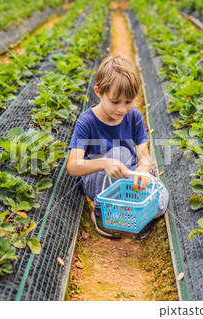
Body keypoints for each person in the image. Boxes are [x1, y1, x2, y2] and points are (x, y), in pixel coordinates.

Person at [66, 55, 169, 239]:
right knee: (118, 153)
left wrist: (142, 171)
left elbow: (144, 157)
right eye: (115, 102)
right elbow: (73, 167)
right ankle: (101, 213)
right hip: (97, 180)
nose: (122, 109)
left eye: (128, 102)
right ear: (98, 92)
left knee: (161, 200)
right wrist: (104, 163)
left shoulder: (135, 117)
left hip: (125, 174)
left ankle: (130, 211)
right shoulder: (86, 122)